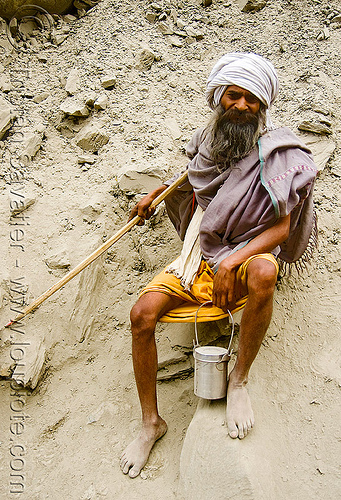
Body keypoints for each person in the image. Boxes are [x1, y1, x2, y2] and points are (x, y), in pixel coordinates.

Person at [120, 52, 318, 478]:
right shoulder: (204, 144)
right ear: (220, 98)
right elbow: (191, 185)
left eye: (251, 98)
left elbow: (282, 229)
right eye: (234, 95)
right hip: (200, 253)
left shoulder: (279, 153)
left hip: (248, 251)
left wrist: (233, 261)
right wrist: (156, 195)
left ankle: (240, 380)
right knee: (141, 315)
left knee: (267, 270)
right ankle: (151, 422)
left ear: (263, 105)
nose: (242, 105)